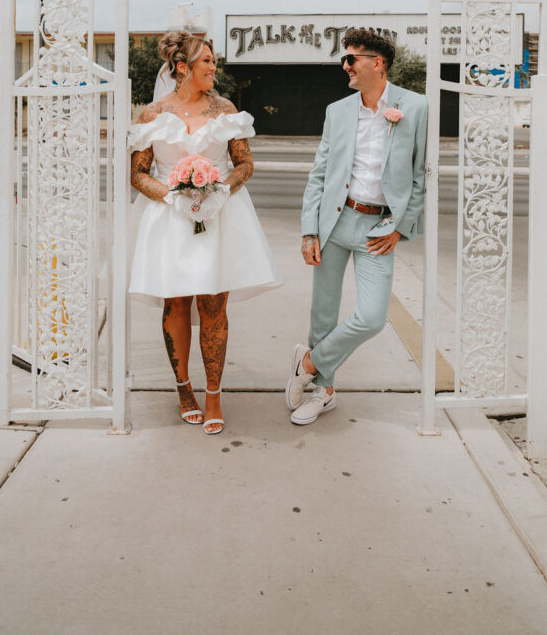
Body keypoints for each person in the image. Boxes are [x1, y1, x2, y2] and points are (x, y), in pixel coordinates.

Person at [129, 31, 280, 434]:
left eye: (214, 62)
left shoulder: (225, 109)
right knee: (175, 305)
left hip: (218, 216)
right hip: (169, 220)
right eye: (208, 62)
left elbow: (244, 164)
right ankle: (183, 388)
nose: (215, 68)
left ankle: (213, 393)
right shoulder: (152, 115)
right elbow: (138, 173)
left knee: (214, 306)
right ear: (183, 67)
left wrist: (220, 189)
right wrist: (172, 195)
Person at [286, 27, 427, 425]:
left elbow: (420, 176)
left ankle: (310, 363)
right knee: (324, 313)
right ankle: (323, 392)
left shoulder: (416, 108)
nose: (345, 66)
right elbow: (319, 174)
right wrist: (308, 230)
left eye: (351, 59)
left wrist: (400, 226)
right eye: (344, 59)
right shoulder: (338, 110)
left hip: (378, 228)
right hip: (334, 221)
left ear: (377, 63)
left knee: (371, 317)